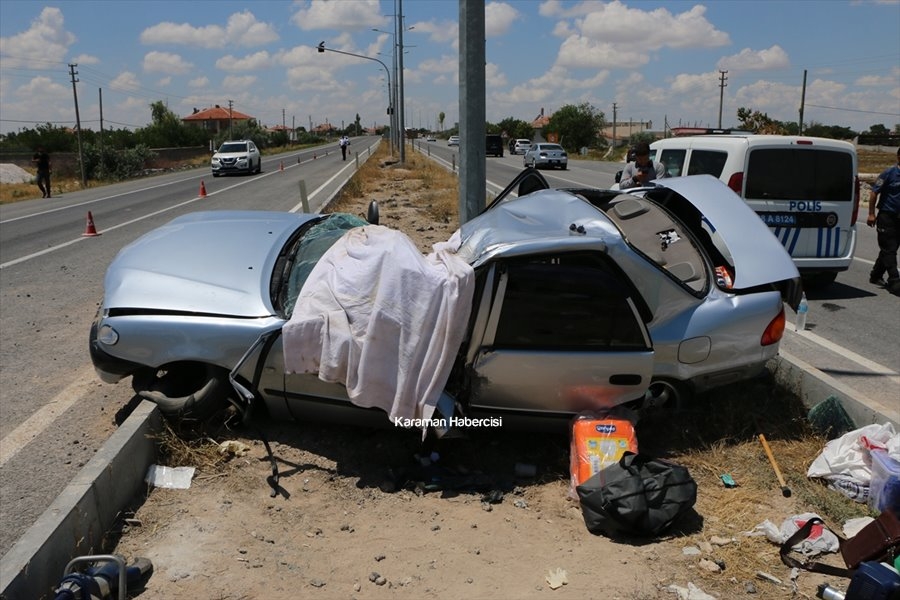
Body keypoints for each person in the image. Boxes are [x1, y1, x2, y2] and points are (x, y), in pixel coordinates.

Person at [867, 147, 900, 295]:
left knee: (889, 248)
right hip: (887, 216)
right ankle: (895, 280)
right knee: (890, 249)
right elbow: (874, 192)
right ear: (898, 157)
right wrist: (871, 214)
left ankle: (876, 275)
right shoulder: (889, 173)